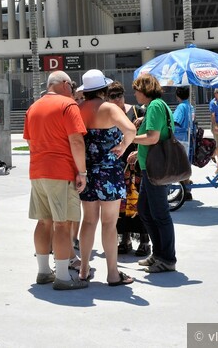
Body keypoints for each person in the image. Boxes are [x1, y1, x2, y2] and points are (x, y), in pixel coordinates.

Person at [23, 71, 89, 290]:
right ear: (63, 84)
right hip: (60, 172)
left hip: (38, 171)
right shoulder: (68, 106)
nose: (72, 89)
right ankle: (62, 277)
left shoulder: (33, 107)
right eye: (71, 85)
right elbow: (77, 142)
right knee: (62, 224)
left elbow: (31, 144)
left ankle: (43, 271)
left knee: (43, 222)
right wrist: (82, 172)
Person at [76, 70, 135, 286]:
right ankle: (112, 273)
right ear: (103, 89)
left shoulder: (78, 109)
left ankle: (83, 270)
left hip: (87, 171)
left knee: (88, 221)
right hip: (109, 171)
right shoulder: (109, 108)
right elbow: (130, 128)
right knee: (109, 224)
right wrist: (123, 146)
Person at [129, 73, 177, 274]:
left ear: (144, 90)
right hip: (149, 167)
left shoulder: (156, 106)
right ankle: (158, 254)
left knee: (160, 214)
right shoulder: (154, 106)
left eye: (136, 90)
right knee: (146, 211)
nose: (135, 94)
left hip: (155, 168)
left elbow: (152, 137)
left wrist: (131, 138)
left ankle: (167, 258)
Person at [106, 82, 150, 257]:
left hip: (136, 164)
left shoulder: (138, 111)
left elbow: (149, 134)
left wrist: (138, 152)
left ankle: (145, 241)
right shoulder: (107, 115)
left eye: (119, 95)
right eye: (113, 96)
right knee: (120, 206)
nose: (117, 99)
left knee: (139, 204)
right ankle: (124, 239)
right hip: (117, 165)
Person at [173, 86, 195, 201]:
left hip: (180, 138)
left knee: (180, 165)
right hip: (188, 138)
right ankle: (186, 189)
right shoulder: (190, 106)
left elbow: (176, 122)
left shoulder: (181, 107)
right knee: (185, 164)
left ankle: (184, 190)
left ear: (177, 95)